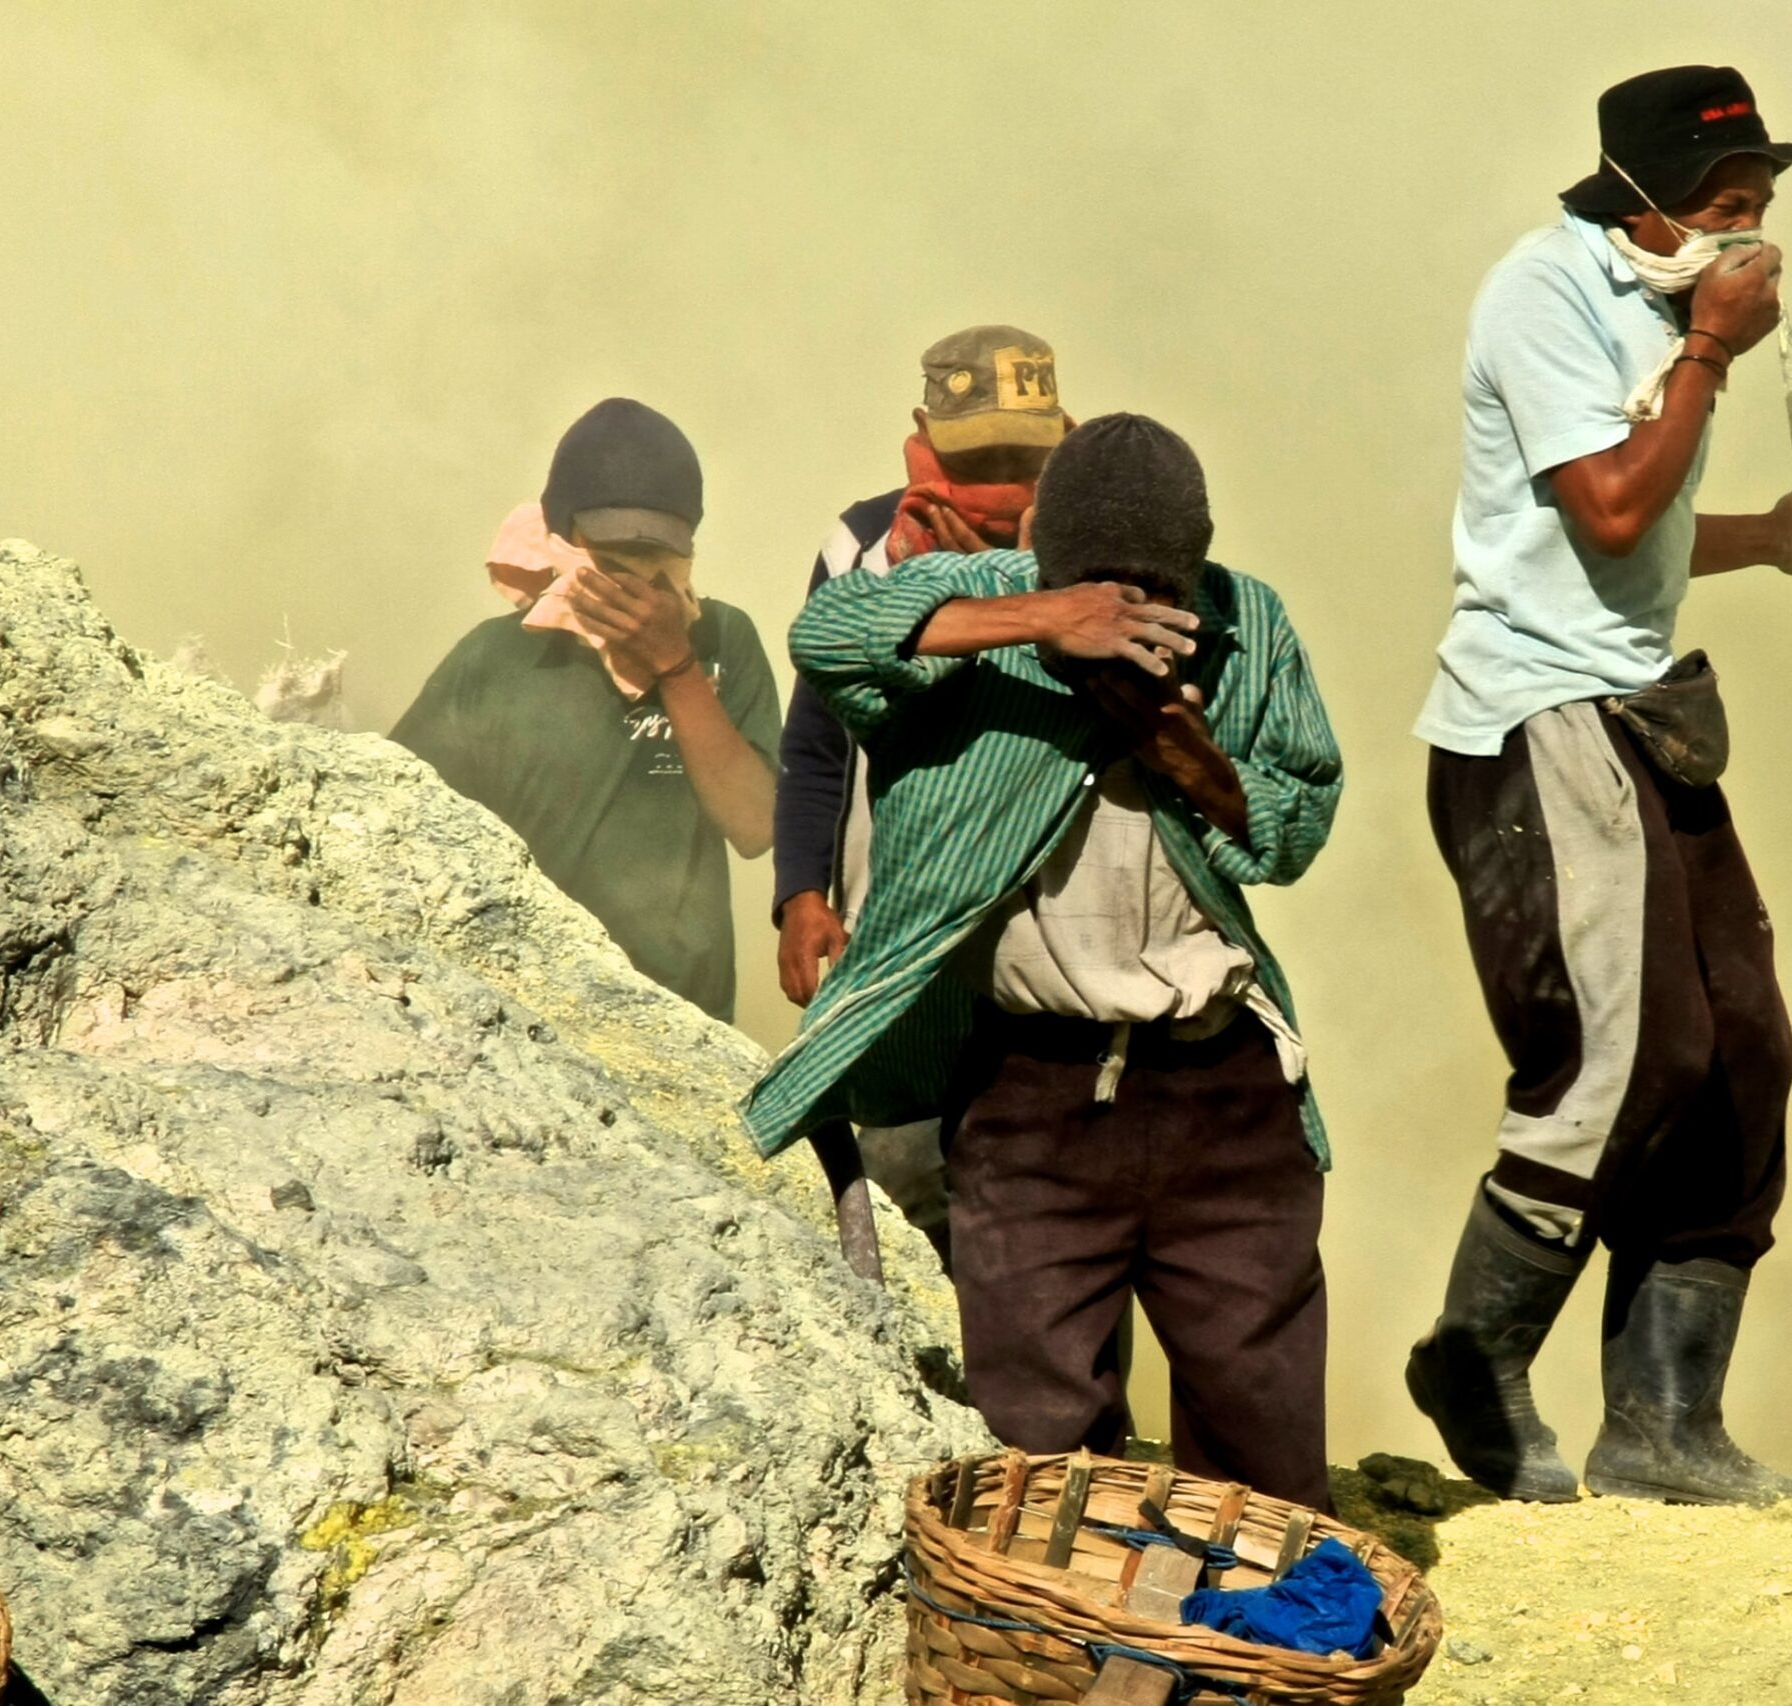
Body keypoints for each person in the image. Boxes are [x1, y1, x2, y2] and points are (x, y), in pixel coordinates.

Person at [744, 414, 1344, 1509]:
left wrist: (1183, 754)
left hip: (1227, 1094)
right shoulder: (990, 601)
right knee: (1036, 1451)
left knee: (1262, 1446)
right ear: (1048, 556)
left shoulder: (1247, 620)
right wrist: (1038, 621)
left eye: (1150, 591)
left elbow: (1298, 826)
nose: (1124, 611)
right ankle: (1066, 1661)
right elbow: (827, 637)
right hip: (1032, 1093)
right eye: (1094, 586)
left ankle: (1247, 1664)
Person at [1406, 65, 1792, 1507]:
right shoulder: (1543, 296)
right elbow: (1604, 499)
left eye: (1763, 209)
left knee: (1742, 1059)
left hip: (1641, 714)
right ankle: (1473, 1363)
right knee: (1626, 1058)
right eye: (1727, 210)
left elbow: (1632, 542)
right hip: (1534, 722)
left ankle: (1666, 1425)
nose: (1747, 238)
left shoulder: (1665, 303)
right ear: (1644, 201)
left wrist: (1768, 537)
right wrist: (1711, 349)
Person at [772, 325, 1069, 1261]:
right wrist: (802, 892)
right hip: (896, 947)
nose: (1003, 480)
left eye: (1026, 455)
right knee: (907, 1215)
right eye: (981, 457)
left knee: (1056, 1233)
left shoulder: (1091, 542)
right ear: (925, 434)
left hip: (1053, 961)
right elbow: (818, 738)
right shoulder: (862, 545)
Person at [392, 397, 780, 1021]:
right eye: (610, 559)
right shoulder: (497, 658)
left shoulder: (723, 641)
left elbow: (756, 825)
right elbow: (402, 827)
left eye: (658, 558)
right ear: (562, 538)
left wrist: (676, 667)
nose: (638, 582)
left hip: (680, 1014)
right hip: (528, 1013)